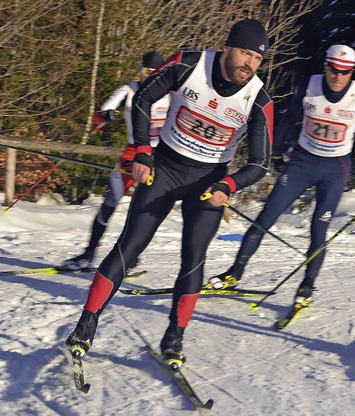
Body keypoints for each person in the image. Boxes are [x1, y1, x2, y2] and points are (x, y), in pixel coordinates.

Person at [65, 18, 274, 367]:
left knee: (193, 259)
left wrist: (229, 185)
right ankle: (86, 325)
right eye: (244, 53)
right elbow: (144, 98)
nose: (249, 64)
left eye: (256, 58)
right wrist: (143, 152)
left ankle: (174, 338)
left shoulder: (258, 98)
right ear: (227, 47)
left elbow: (260, 162)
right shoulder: (189, 64)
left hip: (209, 181)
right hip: (164, 168)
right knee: (129, 246)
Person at [207, 44, 355, 308]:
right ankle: (234, 272)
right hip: (302, 163)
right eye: (334, 70)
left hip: (334, 170)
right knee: (265, 217)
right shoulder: (310, 85)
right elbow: (290, 117)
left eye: (345, 72)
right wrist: (277, 152)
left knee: (319, 228)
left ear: (352, 72)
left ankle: (307, 286)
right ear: (326, 66)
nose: (338, 77)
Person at [62, 51, 170, 273]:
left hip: (159, 156)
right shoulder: (129, 90)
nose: (147, 76)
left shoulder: (171, 93)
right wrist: (105, 116)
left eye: (153, 72)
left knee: (142, 209)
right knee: (109, 203)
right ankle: (88, 254)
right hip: (132, 154)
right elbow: (100, 113)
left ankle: (130, 258)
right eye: (143, 71)